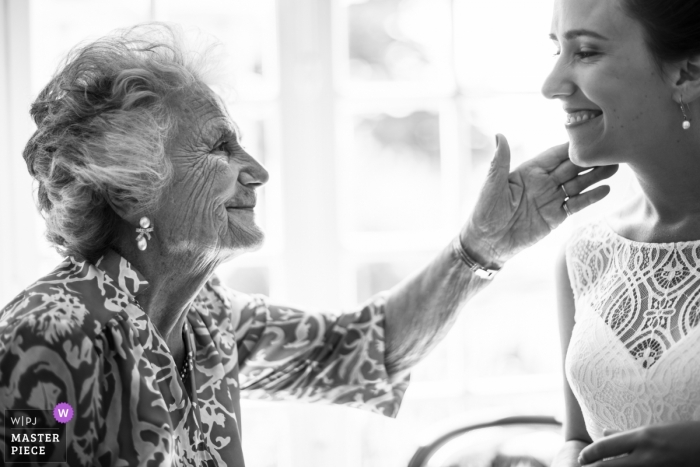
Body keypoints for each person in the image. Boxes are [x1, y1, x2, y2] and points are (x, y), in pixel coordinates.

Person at [0, 24, 616, 466]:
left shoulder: (208, 318)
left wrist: (481, 246)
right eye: (220, 147)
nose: (257, 170)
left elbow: (362, 351)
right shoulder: (46, 336)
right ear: (136, 189)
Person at [545, 0, 700, 465]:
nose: (551, 84)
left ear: (687, 73)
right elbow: (575, 439)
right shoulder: (586, 250)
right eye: (555, 50)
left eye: (586, 52)